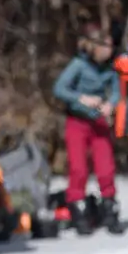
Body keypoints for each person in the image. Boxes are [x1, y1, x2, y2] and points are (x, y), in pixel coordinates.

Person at [52, 26, 123, 236]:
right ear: (94, 46)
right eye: (105, 46)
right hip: (78, 121)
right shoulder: (79, 65)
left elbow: (117, 92)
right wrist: (81, 99)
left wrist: (111, 104)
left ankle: (110, 208)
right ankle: (77, 208)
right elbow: (59, 88)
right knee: (79, 168)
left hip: (99, 122)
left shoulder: (110, 68)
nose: (109, 51)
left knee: (106, 167)